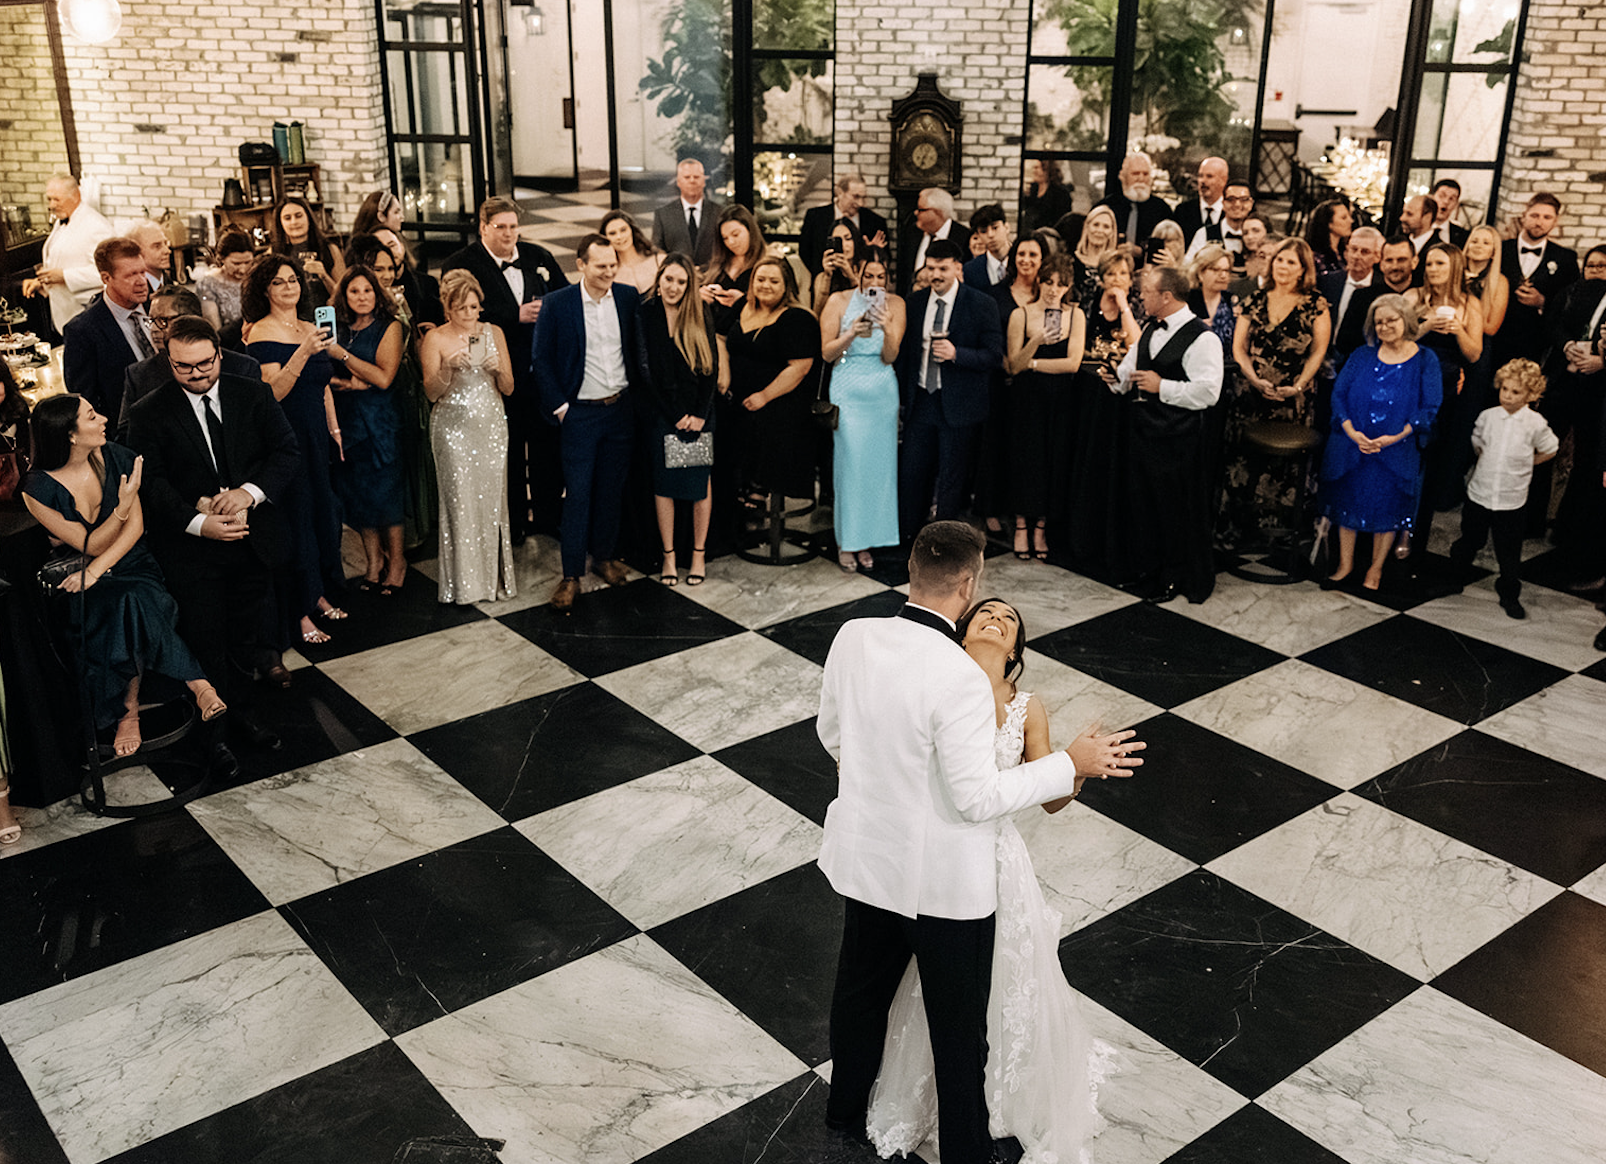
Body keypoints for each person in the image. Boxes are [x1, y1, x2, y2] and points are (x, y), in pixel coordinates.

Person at [818, 520, 1142, 1164]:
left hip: (867, 861)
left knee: (859, 994)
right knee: (959, 1025)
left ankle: (844, 1110)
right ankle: (967, 1151)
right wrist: (1068, 762)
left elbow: (833, 734)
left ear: (912, 568)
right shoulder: (960, 677)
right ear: (968, 585)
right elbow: (975, 799)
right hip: (943, 886)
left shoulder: (854, 636)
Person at [865, 596, 1113, 1163]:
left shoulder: (1028, 707)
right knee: (947, 979)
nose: (996, 619)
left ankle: (1005, 1090)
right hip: (935, 856)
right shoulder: (936, 683)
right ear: (961, 628)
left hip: (999, 860)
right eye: (985, 612)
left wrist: (1078, 766)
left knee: (1008, 969)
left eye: (1008, 619)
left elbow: (1050, 800)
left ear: (1016, 649)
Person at [21, 393, 227, 756]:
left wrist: (99, 567)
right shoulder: (36, 488)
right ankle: (197, 682)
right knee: (127, 603)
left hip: (132, 563)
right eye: (91, 416)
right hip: (77, 575)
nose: (103, 419)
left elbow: (136, 530)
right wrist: (122, 507)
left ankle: (128, 714)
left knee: (130, 600)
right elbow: (90, 545)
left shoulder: (119, 456)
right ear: (70, 434)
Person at [124, 314, 301, 724]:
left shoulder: (252, 394)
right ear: (168, 360)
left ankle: (243, 718)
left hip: (251, 539)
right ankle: (213, 737)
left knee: (245, 638)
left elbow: (286, 452)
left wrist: (248, 493)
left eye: (206, 363)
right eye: (184, 366)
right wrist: (198, 520)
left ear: (219, 353)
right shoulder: (149, 411)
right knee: (205, 641)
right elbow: (151, 482)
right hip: (190, 550)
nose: (197, 374)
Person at [441, 198, 564, 544]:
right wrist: (515, 316)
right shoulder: (460, 264)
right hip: (492, 373)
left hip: (539, 373)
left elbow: (565, 296)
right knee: (504, 451)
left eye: (513, 226)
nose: (509, 233)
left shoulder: (538, 257)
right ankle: (511, 524)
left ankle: (548, 516)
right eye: (500, 227)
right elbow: (458, 318)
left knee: (545, 449)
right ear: (483, 228)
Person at [243, 255, 348, 645]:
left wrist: (334, 428)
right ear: (264, 290)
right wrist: (303, 350)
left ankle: (318, 590)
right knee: (296, 519)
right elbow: (272, 392)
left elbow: (323, 384)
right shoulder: (259, 333)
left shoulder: (310, 325)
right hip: (285, 437)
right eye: (279, 282)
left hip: (317, 432)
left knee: (325, 514)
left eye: (293, 280)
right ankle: (299, 610)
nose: (289, 288)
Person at [533, 234, 642, 611]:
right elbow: (541, 360)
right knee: (578, 494)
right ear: (580, 265)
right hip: (579, 412)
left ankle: (605, 557)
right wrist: (562, 407)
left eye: (613, 265)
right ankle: (571, 575)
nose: (608, 272)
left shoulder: (628, 298)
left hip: (620, 410)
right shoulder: (558, 303)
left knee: (611, 490)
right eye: (600, 266)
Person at [1106, 265, 1225, 603]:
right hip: (1142, 432)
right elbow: (1131, 367)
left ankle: (1174, 575)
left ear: (1166, 296)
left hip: (1179, 438)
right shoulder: (1149, 327)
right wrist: (1116, 380)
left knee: (1172, 509)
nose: (1140, 297)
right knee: (1142, 505)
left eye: (1145, 292)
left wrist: (1163, 387)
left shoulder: (1204, 338)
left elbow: (1208, 393)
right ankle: (1146, 570)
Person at [1319, 295, 1442, 591]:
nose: (1385, 326)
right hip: (1352, 446)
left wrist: (1395, 437)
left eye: (1391, 320)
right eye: (1379, 322)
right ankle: (1345, 564)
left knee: (1386, 508)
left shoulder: (1426, 360)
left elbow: (1430, 407)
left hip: (1396, 450)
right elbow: (1339, 395)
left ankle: (1375, 569)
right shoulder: (1362, 355)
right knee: (1347, 503)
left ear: (1406, 321)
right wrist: (1350, 431)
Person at [1220, 238, 1332, 549]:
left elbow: (1318, 351)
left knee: (1284, 467)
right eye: (1280, 260)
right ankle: (1238, 527)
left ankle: (1278, 532)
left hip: (1292, 394)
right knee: (1242, 460)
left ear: (1303, 270)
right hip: (1251, 392)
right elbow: (1238, 348)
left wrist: (1296, 386)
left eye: (1291, 262)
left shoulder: (1316, 304)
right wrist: (1254, 379)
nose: (1283, 267)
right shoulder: (1255, 299)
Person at [420, 270, 517, 605]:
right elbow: (431, 393)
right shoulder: (435, 338)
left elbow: (509, 387)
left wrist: (497, 368)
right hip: (451, 429)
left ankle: (493, 580)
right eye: (461, 308)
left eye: (474, 307)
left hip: (490, 425)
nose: (469, 315)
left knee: (492, 501)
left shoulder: (493, 333)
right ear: (448, 309)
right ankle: (464, 584)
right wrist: (448, 366)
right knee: (459, 501)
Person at [897, 240, 1004, 534]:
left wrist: (958, 354)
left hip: (958, 405)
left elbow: (995, 355)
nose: (936, 275)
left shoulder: (982, 304)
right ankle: (909, 536)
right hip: (920, 401)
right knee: (913, 473)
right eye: (931, 268)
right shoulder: (914, 303)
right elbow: (905, 356)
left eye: (943, 268)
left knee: (951, 478)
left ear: (958, 267)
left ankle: (941, 541)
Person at [634, 253, 720, 587]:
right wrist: (675, 416)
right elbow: (645, 372)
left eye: (681, 282)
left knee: (700, 486)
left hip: (700, 413)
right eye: (668, 279)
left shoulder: (700, 312)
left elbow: (710, 369)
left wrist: (699, 414)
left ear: (690, 285)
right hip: (662, 413)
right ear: (659, 279)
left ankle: (698, 554)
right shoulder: (646, 313)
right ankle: (669, 556)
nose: (673, 287)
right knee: (663, 485)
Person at [1450, 359, 1559, 619]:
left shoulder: (1535, 423)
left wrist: (1530, 461)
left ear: (1530, 395)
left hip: (1511, 500)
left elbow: (1551, 447)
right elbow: (1477, 442)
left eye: (1516, 392)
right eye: (1505, 390)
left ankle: (1509, 593)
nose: (1508, 396)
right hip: (1481, 492)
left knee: (1508, 550)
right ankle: (1454, 577)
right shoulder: (1488, 417)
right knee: (1470, 538)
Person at [820, 251, 904, 572]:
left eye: (881, 277)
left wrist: (888, 327)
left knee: (879, 470)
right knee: (851, 466)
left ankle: (868, 541)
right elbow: (827, 354)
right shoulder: (838, 301)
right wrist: (851, 332)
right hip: (847, 385)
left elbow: (890, 356)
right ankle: (848, 541)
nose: (874, 282)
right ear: (857, 273)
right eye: (869, 275)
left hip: (882, 390)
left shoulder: (896, 305)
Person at [717, 255, 819, 517]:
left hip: (778, 401)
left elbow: (801, 367)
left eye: (774, 281)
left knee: (761, 427)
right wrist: (724, 373)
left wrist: (764, 395)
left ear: (787, 285)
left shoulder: (797, 318)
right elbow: (719, 336)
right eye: (760, 279)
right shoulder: (742, 305)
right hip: (735, 396)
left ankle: (757, 490)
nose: (766, 285)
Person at [1064, 249, 1144, 578]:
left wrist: (1123, 305)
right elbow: (1078, 345)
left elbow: (1137, 344)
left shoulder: (1135, 306)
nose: (1116, 281)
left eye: (1123, 274)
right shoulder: (1086, 305)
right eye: (1111, 275)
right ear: (1101, 277)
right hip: (1087, 390)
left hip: (1119, 393)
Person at [328, 266, 407, 594]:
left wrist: (342, 356)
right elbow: (322, 370)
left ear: (378, 293)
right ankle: (374, 562)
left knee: (385, 494)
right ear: (344, 296)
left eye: (367, 290)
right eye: (354, 291)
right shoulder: (339, 329)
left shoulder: (390, 327)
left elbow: (383, 377)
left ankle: (397, 561)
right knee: (357, 495)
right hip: (345, 421)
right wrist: (345, 381)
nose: (362, 297)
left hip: (379, 423)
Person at [1004, 254, 1084, 561]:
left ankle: (1041, 527)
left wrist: (1034, 364)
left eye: (1060, 284)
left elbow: (1073, 364)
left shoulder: (1076, 315)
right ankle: (1022, 525)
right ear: (1040, 281)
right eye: (1049, 282)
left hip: (1061, 400)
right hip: (1027, 401)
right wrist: (1036, 340)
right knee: (1027, 461)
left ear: (1068, 287)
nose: (1053, 289)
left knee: (1054, 460)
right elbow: (1013, 366)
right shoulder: (1020, 315)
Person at [1404, 242, 1483, 547]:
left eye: (1440, 264)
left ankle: (1416, 536)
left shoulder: (1469, 304)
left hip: (1447, 389)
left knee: (1432, 462)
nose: (1432, 270)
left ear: (1454, 269)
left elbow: (1474, 354)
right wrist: (1426, 325)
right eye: (1429, 264)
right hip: (1410, 382)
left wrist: (1458, 329)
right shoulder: (1413, 297)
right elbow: (1395, 338)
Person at [117, 285, 261, 438]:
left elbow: (260, 428)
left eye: (164, 320)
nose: (154, 329)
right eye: (151, 321)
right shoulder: (140, 375)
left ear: (192, 319)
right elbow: (126, 435)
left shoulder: (242, 368)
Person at [1543, 247, 1606, 589]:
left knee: (1587, 462)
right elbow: (1553, 324)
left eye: (1603, 265)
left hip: (1598, 392)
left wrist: (1602, 361)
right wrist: (1567, 345)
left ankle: (1571, 530)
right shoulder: (1572, 292)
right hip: (1564, 381)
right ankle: (1537, 520)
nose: (1596, 270)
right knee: (1546, 447)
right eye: (1591, 264)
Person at [62, 237, 155, 428]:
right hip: (129, 432)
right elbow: (85, 400)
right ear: (106, 278)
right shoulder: (83, 331)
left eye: (143, 272)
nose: (141, 282)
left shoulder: (158, 304)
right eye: (130, 275)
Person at [21, 173, 114, 336]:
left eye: (56, 199)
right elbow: (62, 260)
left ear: (76, 196)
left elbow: (110, 273)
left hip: (87, 316)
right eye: (49, 199)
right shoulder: (61, 221)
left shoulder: (97, 226)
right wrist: (42, 282)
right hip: (63, 318)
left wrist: (65, 276)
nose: (51, 205)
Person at [1317, 225, 1387, 376]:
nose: (1357, 256)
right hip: (1323, 359)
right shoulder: (1327, 282)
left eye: (1365, 252)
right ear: (1346, 252)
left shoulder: (1382, 290)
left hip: (1360, 364)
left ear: (1377, 257)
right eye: (1353, 249)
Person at [801, 173, 890, 277]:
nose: (860, 203)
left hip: (860, 287)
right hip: (824, 284)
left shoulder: (875, 222)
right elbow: (805, 252)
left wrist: (872, 251)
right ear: (840, 192)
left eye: (863, 198)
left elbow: (884, 263)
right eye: (856, 197)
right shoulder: (815, 217)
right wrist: (824, 274)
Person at [269, 195, 344, 310]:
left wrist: (324, 276)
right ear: (280, 223)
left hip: (328, 318)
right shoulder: (273, 253)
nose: (294, 222)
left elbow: (345, 294)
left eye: (298, 216)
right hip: (291, 322)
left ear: (308, 217)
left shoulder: (329, 249)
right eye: (287, 218)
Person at [652, 158, 724, 266]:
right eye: (687, 177)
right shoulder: (663, 214)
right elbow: (657, 249)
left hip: (712, 276)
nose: (692, 180)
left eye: (696, 177)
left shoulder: (720, 212)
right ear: (678, 182)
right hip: (678, 277)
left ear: (704, 181)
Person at [1093, 152, 1172, 247]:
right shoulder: (1107, 206)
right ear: (1123, 177)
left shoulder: (1162, 210)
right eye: (1135, 173)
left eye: (1145, 174)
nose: (1141, 178)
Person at [701, 204, 766, 316]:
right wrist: (702, 294)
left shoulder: (768, 261)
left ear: (750, 230)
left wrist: (742, 301)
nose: (730, 242)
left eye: (735, 234)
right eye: (725, 238)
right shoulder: (720, 262)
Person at [904, 188, 973, 293]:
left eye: (921, 209)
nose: (916, 213)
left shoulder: (964, 237)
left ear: (937, 212)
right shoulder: (912, 233)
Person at [196, 228, 255, 344]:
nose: (243, 270)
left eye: (248, 262)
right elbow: (215, 331)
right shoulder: (208, 285)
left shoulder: (256, 278)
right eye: (236, 263)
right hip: (229, 344)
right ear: (221, 259)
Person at [1186, 180, 1253, 261]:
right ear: (1223, 203)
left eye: (1243, 199)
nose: (1237, 204)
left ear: (1251, 204)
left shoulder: (1258, 236)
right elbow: (1189, 267)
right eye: (1231, 199)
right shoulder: (1204, 234)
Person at [1173, 156, 1230, 248]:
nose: (1202, 181)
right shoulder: (1182, 211)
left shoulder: (1231, 212)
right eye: (1200, 176)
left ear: (1223, 180)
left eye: (1209, 176)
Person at [811, 218, 865, 316]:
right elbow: (817, 314)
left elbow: (867, 307)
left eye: (848, 239)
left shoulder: (864, 269)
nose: (844, 245)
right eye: (837, 240)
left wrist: (851, 276)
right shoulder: (822, 277)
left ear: (855, 241)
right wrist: (827, 277)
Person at [1187, 244, 1238, 348]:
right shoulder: (1186, 302)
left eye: (1226, 270)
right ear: (1200, 274)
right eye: (1216, 270)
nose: (1223, 275)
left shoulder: (1233, 302)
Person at [601, 209, 662, 295]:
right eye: (612, 233)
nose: (619, 237)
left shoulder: (659, 260)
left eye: (623, 230)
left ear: (632, 231)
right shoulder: (608, 274)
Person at [1071, 205, 1119, 305]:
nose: (1100, 230)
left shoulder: (1117, 264)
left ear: (1111, 232)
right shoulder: (1070, 261)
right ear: (1087, 227)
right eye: (1096, 225)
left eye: (1106, 227)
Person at [1017, 159, 1073, 238]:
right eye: (1033, 168)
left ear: (1046, 171)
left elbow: (1063, 221)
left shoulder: (1060, 194)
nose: (1034, 171)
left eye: (1037, 168)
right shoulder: (1032, 190)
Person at [961, 203, 1010, 289]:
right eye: (983, 231)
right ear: (978, 235)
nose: (990, 235)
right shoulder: (971, 269)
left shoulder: (1023, 261)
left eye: (995, 228)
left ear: (1007, 227)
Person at [1305, 198, 1354, 277]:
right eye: (1344, 218)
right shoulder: (1315, 257)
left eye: (1349, 216)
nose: (1351, 221)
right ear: (1329, 224)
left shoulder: (1344, 252)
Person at [128, 221, 173, 294]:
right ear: (137, 252)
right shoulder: (133, 293)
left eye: (165, 243)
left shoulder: (171, 284)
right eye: (157, 246)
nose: (167, 251)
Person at [1399, 195, 1439, 269]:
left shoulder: (1438, 250)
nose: (1402, 218)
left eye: (1409, 214)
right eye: (1403, 212)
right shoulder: (1399, 240)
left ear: (1427, 217)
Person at [1430, 179, 1470, 248]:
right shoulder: (1416, 227)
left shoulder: (1463, 236)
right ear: (1432, 197)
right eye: (1442, 196)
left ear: (1456, 204)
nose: (1446, 201)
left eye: (1451, 199)